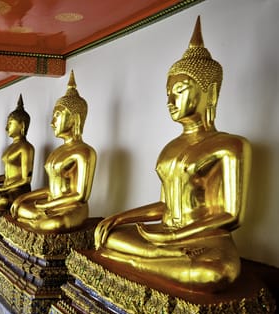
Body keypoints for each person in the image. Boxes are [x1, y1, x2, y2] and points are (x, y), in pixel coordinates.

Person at [93, 17, 251, 292]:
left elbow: (231, 215)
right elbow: (164, 205)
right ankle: (148, 259)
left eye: (179, 91)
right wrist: (119, 218)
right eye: (168, 93)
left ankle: (141, 262)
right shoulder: (170, 148)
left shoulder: (231, 145)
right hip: (164, 237)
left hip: (205, 240)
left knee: (215, 272)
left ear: (210, 92)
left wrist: (177, 235)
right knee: (111, 237)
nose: (170, 101)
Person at [10, 71, 96, 231]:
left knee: (54, 223)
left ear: (75, 119)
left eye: (57, 115)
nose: (52, 122)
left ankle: (40, 219)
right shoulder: (58, 151)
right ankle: (37, 217)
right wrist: (23, 198)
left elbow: (80, 196)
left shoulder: (85, 152)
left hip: (72, 209)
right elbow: (53, 189)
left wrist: (47, 205)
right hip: (51, 204)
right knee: (20, 208)